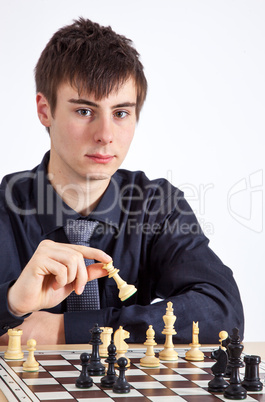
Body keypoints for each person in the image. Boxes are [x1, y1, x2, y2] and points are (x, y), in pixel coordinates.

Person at [0, 18, 244, 345]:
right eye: (85, 111)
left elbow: (222, 310)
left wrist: (65, 330)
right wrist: (11, 303)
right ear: (45, 110)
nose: (105, 136)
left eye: (120, 113)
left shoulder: (158, 205)